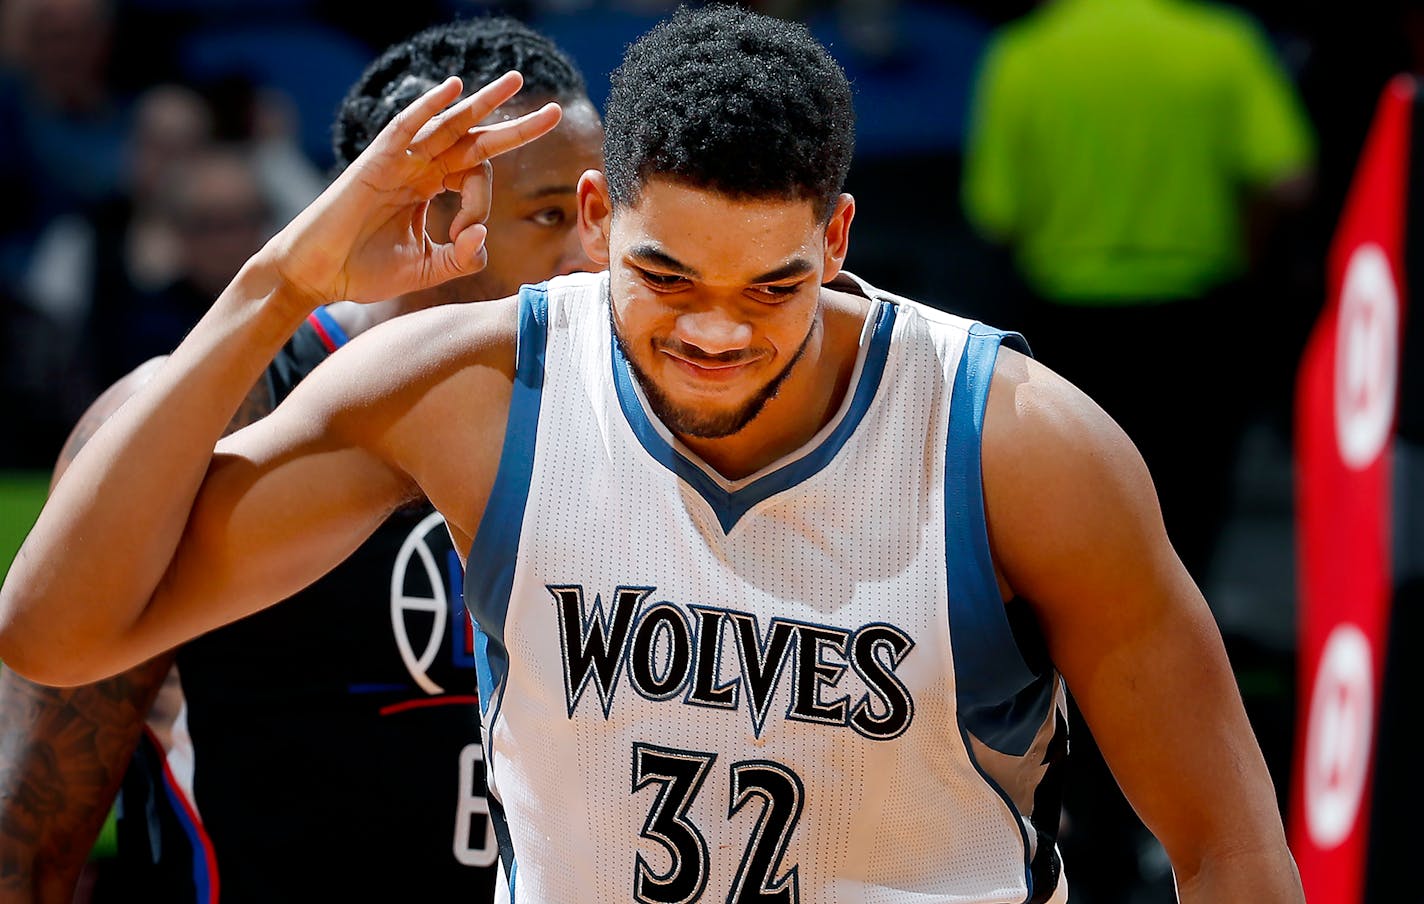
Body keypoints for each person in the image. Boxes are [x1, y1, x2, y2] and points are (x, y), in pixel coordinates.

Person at [0, 5, 1303, 902]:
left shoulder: (1019, 442)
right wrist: (283, 277)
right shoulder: (471, 389)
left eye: (773, 288)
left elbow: (1232, 851)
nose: (716, 332)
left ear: (840, 240)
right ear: (593, 223)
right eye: (666, 276)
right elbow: (57, 637)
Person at [0, 17, 601, 903]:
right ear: (433, 207)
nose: (593, 252)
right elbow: (28, 834)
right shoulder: (211, 413)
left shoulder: (613, 408)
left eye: (601, 212)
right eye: (552, 213)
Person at [961, 5, 1316, 899]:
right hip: (1195, 329)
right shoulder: (1222, 44)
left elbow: (994, 209)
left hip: (1066, 339)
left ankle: (1095, 844)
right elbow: (1288, 178)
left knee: (1051, 595)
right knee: (1168, 585)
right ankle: (1184, 819)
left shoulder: (1028, 53)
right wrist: (1242, 251)